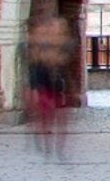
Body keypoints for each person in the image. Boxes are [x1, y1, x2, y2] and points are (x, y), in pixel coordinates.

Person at [26, 11, 75, 150]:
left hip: (59, 85)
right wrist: (34, 87)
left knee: (60, 115)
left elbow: (66, 65)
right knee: (45, 112)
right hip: (45, 84)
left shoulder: (65, 44)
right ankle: (45, 140)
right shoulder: (42, 45)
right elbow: (35, 66)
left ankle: (58, 146)